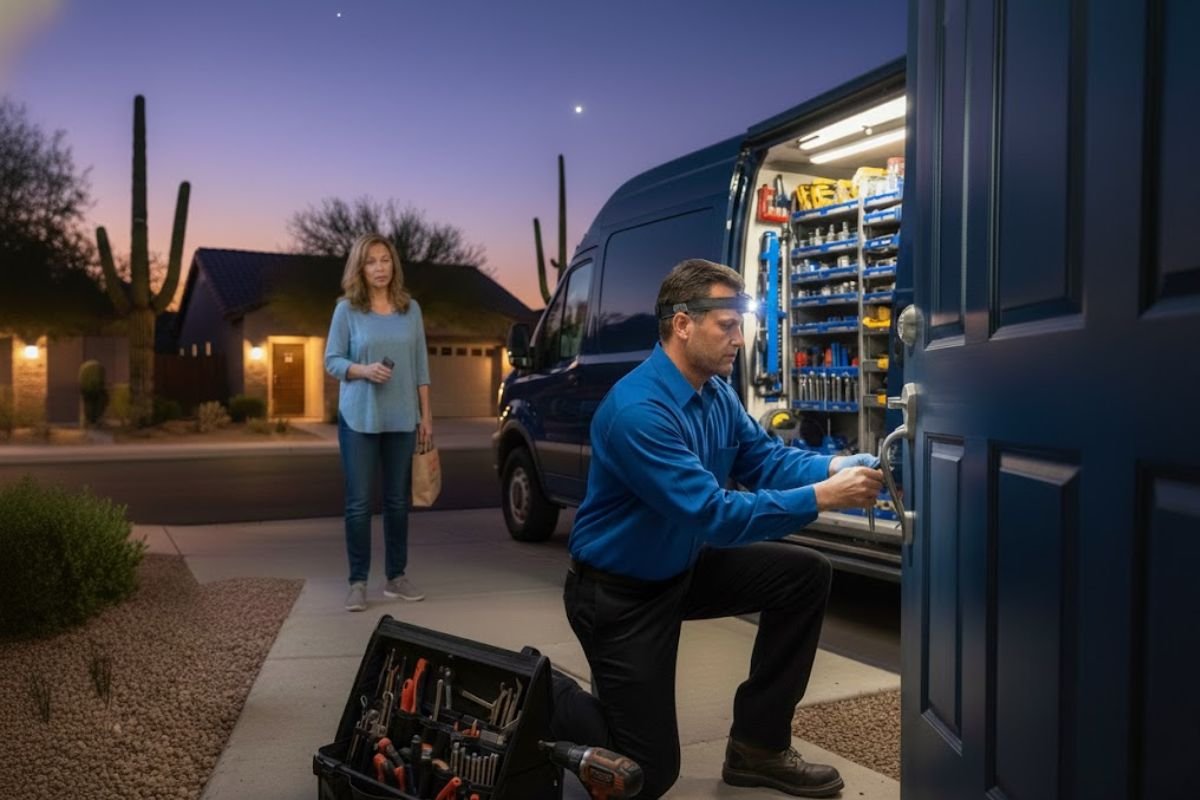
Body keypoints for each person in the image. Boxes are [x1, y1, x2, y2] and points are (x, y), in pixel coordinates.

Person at [549, 258, 883, 798]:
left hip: (681, 566)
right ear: (683, 324)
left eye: (740, 327)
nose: (738, 340)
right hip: (619, 595)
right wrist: (824, 498)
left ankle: (759, 747)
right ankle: (541, 692)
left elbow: (766, 461)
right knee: (646, 775)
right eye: (727, 326)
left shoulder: (716, 392)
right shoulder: (639, 411)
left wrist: (833, 467)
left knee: (804, 576)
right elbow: (716, 515)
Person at [324, 233, 433, 612]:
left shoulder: (410, 309)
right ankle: (357, 582)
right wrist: (362, 369)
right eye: (371, 261)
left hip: (402, 418)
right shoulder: (347, 311)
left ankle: (396, 578)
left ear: (394, 265)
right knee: (358, 504)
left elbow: (421, 367)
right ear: (360, 267)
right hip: (359, 419)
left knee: (397, 503)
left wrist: (426, 417)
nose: (380, 267)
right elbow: (332, 360)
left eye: (385, 260)